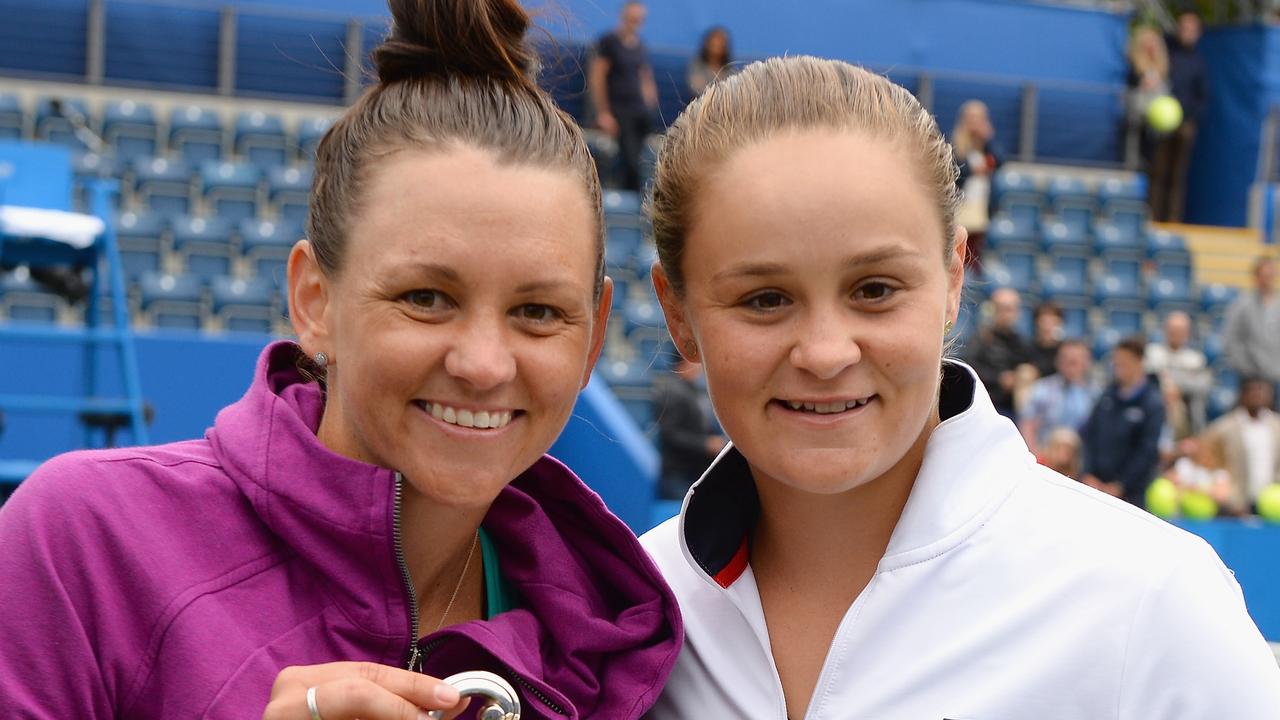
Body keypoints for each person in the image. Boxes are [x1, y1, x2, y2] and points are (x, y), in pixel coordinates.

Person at [0, 1, 682, 718]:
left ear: (594, 336)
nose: (484, 365)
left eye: (538, 313)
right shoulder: (84, 543)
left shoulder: (619, 642)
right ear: (315, 301)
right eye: (426, 297)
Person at [638, 55, 1280, 718]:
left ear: (953, 279)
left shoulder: (1151, 599)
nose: (827, 353)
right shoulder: (630, 612)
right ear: (678, 314)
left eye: (875, 290)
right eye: (765, 299)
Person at [1080, 336, 1167, 506]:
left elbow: (1147, 451)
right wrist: (1088, 473)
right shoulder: (1107, 396)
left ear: (1138, 362)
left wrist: (1121, 485)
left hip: (1132, 495)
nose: (1117, 368)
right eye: (1116, 362)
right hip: (1096, 487)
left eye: (1123, 363)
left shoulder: (1152, 403)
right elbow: (1090, 435)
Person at [590, 0, 659, 191]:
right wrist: (603, 113)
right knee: (631, 160)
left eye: (639, 18)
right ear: (623, 16)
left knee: (647, 156)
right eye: (632, 17)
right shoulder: (608, 42)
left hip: (639, 111)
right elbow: (598, 78)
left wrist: (650, 102)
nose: (635, 21)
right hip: (619, 110)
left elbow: (645, 75)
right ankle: (633, 203)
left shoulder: (640, 45)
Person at [1151, 11, 1208, 223]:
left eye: (1192, 29)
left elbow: (1202, 98)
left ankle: (1173, 221)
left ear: (1198, 33)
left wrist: (1187, 117)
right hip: (1162, 124)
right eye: (1184, 27)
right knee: (1158, 171)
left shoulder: (1199, 63)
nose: (1187, 33)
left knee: (1178, 176)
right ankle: (1153, 218)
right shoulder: (1167, 53)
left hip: (1185, 125)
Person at [653, 357, 726, 500]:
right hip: (679, 473)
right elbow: (670, 435)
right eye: (693, 363)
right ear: (682, 363)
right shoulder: (672, 391)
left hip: (694, 469)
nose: (699, 367)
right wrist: (705, 444)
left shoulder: (690, 388)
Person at [1205, 377, 1280, 515]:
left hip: (1271, 506)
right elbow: (1210, 459)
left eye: (1262, 391)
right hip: (1234, 505)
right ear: (1242, 395)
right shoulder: (1223, 427)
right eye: (1253, 391)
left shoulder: (1276, 426)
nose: (1258, 395)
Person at [1018, 339, 1097, 454]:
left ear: (1086, 363)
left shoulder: (1096, 393)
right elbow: (1027, 425)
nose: (1070, 365)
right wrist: (1035, 456)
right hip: (1046, 456)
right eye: (1066, 359)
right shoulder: (1042, 388)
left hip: (1082, 459)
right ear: (1057, 361)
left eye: (1075, 361)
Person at [965, 286, 1033, 418]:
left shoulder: (1020, 342)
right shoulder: (981, 338)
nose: (1007, 314)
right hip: (986, 402)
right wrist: (999, 379)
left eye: (1011, 309)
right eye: (1002, 308)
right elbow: (970, 368)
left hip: (1013, 405)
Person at [1146, 310, 1212, 436]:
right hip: (1156, 402)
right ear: (1165, 330)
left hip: (1186, 406)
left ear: (1187, 333)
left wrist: (1177, 388)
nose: (1176, 334)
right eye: (1173, 330)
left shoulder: (1195, 359)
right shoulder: (1152, 353)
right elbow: (1146, 380)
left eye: (1181, 331)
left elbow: (1202, 385)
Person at [950, 100, 1002, 245]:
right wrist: (972, 170)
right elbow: (953, 171)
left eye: (978, 118)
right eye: (971, 118)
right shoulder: (954, 142)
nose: (974, 122)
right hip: (961, 205)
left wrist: (988, 138)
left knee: (977, 251)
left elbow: (1000, 159)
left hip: (981, 204)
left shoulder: (986, 145)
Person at [1223, 256, 1280, 387]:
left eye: (1271, 275)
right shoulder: (1241, 304)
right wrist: (1246, 368)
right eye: (1264, 275)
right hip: (1251, 377)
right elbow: (1231, 339)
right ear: (1256, 276)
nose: (1268, 279)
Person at [1125, 25, 1170, 170]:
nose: (1152, 46)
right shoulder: (1133, 68)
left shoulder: (1163, 69)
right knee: (1135, 161)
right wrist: (1142, 84)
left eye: (1155, 42)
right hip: (1137, 124)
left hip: (1157, 128)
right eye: (1148, 42)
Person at [686, 26, 733, 96]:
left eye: (720, 44)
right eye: (714, 44)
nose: (717, 47)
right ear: (707, 44)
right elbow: (696, 88)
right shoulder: (696, 68)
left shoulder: (731, 72)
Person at [1027, 300, 1064, 378]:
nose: (1047, 323)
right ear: (1036, 322)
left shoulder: (1064, 349)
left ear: (1059, 322)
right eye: (1043, 318)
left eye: (1052, 318)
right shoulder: (1027, 348)